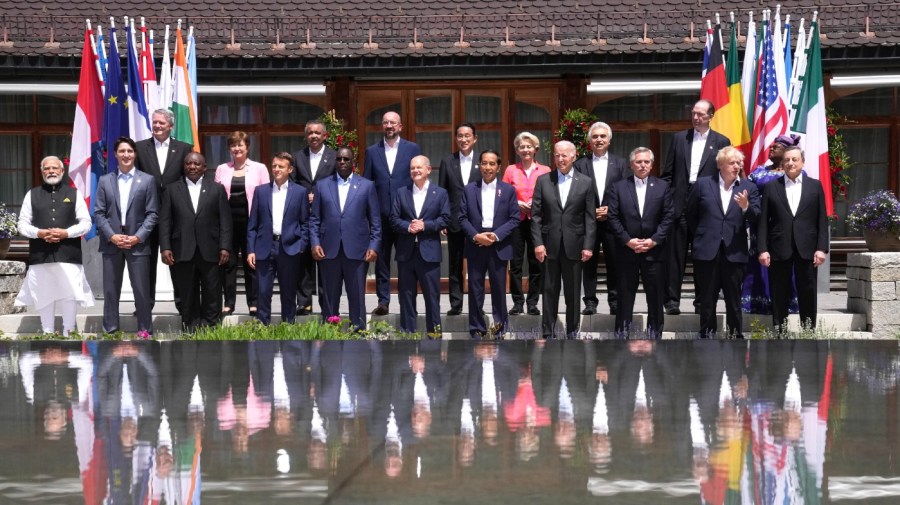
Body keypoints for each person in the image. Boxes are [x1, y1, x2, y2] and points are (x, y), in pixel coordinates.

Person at [660, 99, 731, 315]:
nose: (696, 117)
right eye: (693, 113)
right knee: (675, 255)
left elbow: (725, 175)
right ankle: (672, 301)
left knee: (704, 255)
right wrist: (668, 202)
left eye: (700, 114)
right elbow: (668, 173)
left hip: (706, 204)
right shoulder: (679, 139)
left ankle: (702, 302)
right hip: (680, 202)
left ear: (711, 116)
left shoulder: (721, 141)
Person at [14, 156, 94, 335]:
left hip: (69, 254)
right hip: (40, 254)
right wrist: (39, 233)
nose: (51, 171)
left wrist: (66, 233)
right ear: (42, 172)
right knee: (44, 294)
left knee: (69, 294)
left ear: (62, 171)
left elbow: (86, 223)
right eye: (47, 168)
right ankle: (47, 332)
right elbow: (22, 224)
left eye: (55, 168)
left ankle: (69, 331)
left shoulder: (74, 194)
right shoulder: (32, 194)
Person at [686, 146, 760, 339]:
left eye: (739, 162)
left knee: (733, 298)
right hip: (707, 250)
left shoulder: (748, 187)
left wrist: (746, 208)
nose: (736, 166)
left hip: (734, 251)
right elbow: (690, 215)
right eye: (732, 163)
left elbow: (756, 217)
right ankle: (707, 334)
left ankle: (736, 335)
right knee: (707, 298)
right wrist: (702, 235)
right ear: (720, 165)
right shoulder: (703, 184)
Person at [757, 146, 829, 331]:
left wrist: (822, 248)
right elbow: (763, 221)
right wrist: (762, 249)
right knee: (779, 290)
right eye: (787, 160)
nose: (790, 163)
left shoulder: (815, 185)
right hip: (779, 247)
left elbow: (822, 218)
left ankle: (809, 330)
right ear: (783, 162)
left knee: (808, 290)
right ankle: (779, 329)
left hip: (808, 247)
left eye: (795, 159)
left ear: (802, 162)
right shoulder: (772, 187)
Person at [160, 152, 233, 331]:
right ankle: (190, 327)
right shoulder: (171, 189)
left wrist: (225, 246)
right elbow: (165, 221)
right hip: (182, 249)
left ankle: (210, 327)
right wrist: (165, 247)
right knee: (186, 291)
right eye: (188, 163)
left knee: (212, 291)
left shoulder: (217, 189)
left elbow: (225, 220)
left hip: (211, 249)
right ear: (183, 166)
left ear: (204, 167)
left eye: (196, 164)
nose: (192, 167)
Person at [310, 146, 381, 331]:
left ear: (354, 163)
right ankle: (330, 330)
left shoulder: (366, 185)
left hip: (357, 250)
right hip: (328, 250)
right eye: (339, 159)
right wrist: (315, 242)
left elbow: (375, 220)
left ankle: (357, 330)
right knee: (330, 295)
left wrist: (374, 245)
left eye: (346, 159)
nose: (342, 162)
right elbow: (315, 219)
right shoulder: (322, 185)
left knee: (356, 294)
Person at [531, 141, 596, 339]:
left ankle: (572, 331)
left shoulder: (585, 182)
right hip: (549, 246)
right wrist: (538, 243)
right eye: (557, 155)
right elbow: (536, 216)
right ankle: (548, 332)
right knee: (549, 291)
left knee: (573, 293)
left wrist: (588, 245)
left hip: (574, 246)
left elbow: (590, 217)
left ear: (574, 156)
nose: (560, 159)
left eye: (564, 155)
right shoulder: (543, 180)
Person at [93, 137, 159, 335]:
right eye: (122, 151)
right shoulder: (105, 181)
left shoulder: (147, 180)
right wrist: (112, 236)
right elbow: (99, 213)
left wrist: (138, 237)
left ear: (135, 154)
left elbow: (153, 213)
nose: (126, 155)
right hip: (112, 243)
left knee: (141, 290)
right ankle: (110, 330)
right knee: (111, 291)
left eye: (129, 151)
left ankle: (145, 331)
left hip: (137, 244)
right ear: (115, 155)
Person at [606, 147, 674, 338]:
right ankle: (621, 335)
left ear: (652, 165)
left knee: (655, 296)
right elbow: (613, 217)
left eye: (646, 162)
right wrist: (628, 240)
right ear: (631, 164)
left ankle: (655, 335)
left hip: (654, 252)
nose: (642, 165)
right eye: (638, 162)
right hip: (627, 251)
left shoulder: (662, 187)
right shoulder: (618, 187)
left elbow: (668, 217)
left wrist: (654, 240)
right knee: (625, 297)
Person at [363, 111, 421, 316]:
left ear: (400, 126)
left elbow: (418, 179)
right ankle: (383, 301)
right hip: (380, 216)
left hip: (405, 215)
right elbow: (367, 184)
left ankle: (407, 301)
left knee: (406, 260)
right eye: (385, 122)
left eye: (393, 123)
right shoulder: (372, 151)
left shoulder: (412, 148)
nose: (389, 125)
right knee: (382, 261)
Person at [135, 108, 194, 309]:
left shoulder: (185, 148)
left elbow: (188, 181)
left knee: (177, 262)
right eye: (155, 122)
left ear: (171, 125)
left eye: (161, 122)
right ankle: (145, 305)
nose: (157, 126)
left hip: (174, 215)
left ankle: (182, 305)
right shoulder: (140, 148)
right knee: (146, 263)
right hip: (146, 214)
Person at [459, 150, 520, 338]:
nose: (487, 167)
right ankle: (477, 328)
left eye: (492, 164)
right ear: (479, 165)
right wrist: (476, 236)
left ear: (498, 167)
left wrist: (494, 235)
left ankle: (499, 329)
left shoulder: (508, 190)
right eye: (484, 163)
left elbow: (514, 218)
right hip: (476, 245)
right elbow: (461, 218)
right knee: (475, 290)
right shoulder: (469, 189)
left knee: (499, 290)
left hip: (498, 246)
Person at [246, 152, 310, 325]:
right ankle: (262, 326)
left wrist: (301, 245)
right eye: (274, 166)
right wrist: (251, 249)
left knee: (288, 291)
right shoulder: (261, 191)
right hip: (265, 246)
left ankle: (288, 326)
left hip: (290, 247)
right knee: (263, 291)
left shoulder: (300, 192)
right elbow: (253, 223)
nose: (276, 169)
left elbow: (305, 222)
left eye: (280, 166)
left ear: (290, 169)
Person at [573, 121, 629, 315]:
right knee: (588, 262)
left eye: (602, 136)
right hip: (588, 222)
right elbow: (575, 194)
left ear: (609, 140)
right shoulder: (580, 164)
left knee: (615, 262)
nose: (599, 140)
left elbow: (626, 192)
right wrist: (590, 210)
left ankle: (614, 301)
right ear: (590, 140)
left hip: (613, 222)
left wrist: (611, 210)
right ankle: (590, 302)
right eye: (595, 136)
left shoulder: (621, 164)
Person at [390, 155, 450, 335]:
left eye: (419, 167)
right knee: (406, 296)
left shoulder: (440, 193)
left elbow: (445, 218)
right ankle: (409, 334)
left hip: (429, 252)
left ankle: (434, 334)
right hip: (406, 253)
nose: (415, 171)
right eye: (412, 168)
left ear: (428, 170)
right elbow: (393, 218)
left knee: (432, 296)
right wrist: (408, 227)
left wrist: (426, 225)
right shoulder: (402, 192)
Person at [742, 134, 802, 314]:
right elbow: (748, 186)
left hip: (782, 225)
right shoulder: (760, 170)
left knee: (783, 263)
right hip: (759, 223)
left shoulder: (793, 172)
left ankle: (787, 302)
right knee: (758, 261)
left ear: (786, 151)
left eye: (775, 147)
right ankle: (756, 301)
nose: (771, 149)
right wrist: (740, 173)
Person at [215, 131, 270, 316]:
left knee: (251, 263)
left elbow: (266, 196)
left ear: (247, 147)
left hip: (251, 223)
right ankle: (229, 303)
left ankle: (253, 303)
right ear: (229, 148)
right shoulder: (222, 168)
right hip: (228, 224)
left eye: (240, 144)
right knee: (228, 264)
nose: (237, 148)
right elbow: (216, 196)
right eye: (233, 145)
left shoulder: (259, 168)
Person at [291, 119, 337, 316]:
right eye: (310, 133)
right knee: (303, 261)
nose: (314, 136)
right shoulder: (297, 157)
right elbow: (292, 185)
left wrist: (319, 197)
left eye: (317, 133)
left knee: (324, 260)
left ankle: (326, 303)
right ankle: (304, 303)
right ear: (305, 135)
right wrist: (304, 196)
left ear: (324, 135)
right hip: (303, 215)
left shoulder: (335, 157)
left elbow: (338, 184)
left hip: (326, 217)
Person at [503, 132, 551, 316]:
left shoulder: (545, 170)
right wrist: (517, 203)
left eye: (529, 146)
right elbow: (504, 195)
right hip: (516, 221)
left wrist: (536, 204)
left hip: (537, 221)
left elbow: (550, 195)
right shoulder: (510, 170)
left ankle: (532, 302)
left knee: (536, 263)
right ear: (517, 150)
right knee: (515, 264)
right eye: (522, 147)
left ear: (535, 149)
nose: (525, 150)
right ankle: (517, 302)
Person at [438, 122, 481, 316]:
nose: (463, 139)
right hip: (454, 221)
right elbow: (442, 192)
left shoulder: (483, 161)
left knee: (476, 265)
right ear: (456, 139)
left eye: (467, 136)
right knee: (454, 264)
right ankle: (456, 304)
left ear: (475, 139)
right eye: (460, 136)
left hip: (477, 222)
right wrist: (443, 219)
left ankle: (476, 304)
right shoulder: (448, 161)